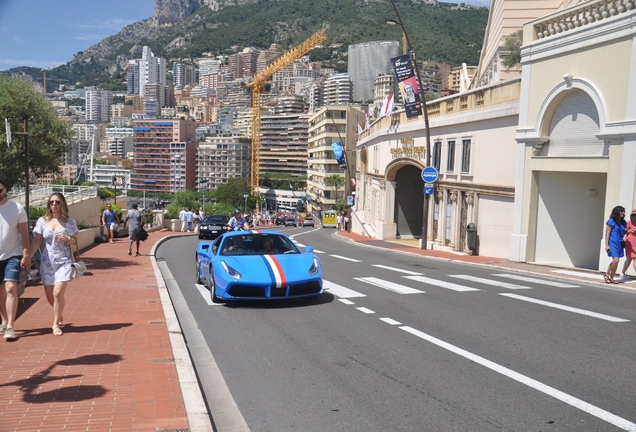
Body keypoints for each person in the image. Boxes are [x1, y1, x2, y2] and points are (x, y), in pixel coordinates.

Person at [29, 192, 78, 336]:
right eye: (51, 202)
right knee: (50, 296)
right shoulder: (42, 221)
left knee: (57, 293)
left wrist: (68, 238)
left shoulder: (70, 222)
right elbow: (37, 241)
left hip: (64, 261)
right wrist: (28, 257)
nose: (54, 205)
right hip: (47, 262)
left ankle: (55, 324)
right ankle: (59, 313)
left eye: (57, 202)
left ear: (62, 204)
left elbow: (75, 241)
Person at [0, 180, 31, 340]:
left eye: (0, 190)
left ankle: (11, 326)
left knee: (11, 287)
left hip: (13, 254)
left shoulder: (16, 208)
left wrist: (26, 254)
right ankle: (4, 321)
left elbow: (24, 233)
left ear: (5, 190)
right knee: (0, 292)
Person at [604, 205, 626, 284]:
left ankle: (612, 277)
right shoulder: (611, 221)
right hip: (612, 243)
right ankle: (607, 275)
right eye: (621, 211)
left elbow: (623, 232)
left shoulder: (623, 222)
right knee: (615, 260)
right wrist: (607, 245)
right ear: (617, 212)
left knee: (617, 261)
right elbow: (608, 234)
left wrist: (629, 231)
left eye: (624, 211)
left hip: (619, 243)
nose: (623, 213)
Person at [620, 208, 636, 280]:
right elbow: (624, 232)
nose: (635, 216)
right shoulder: (629, 222)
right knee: (634, 258)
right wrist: (630, 230)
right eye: (634, 215)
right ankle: (623, 272)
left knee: (629, 259)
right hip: (630, 242)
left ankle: (622, 272)